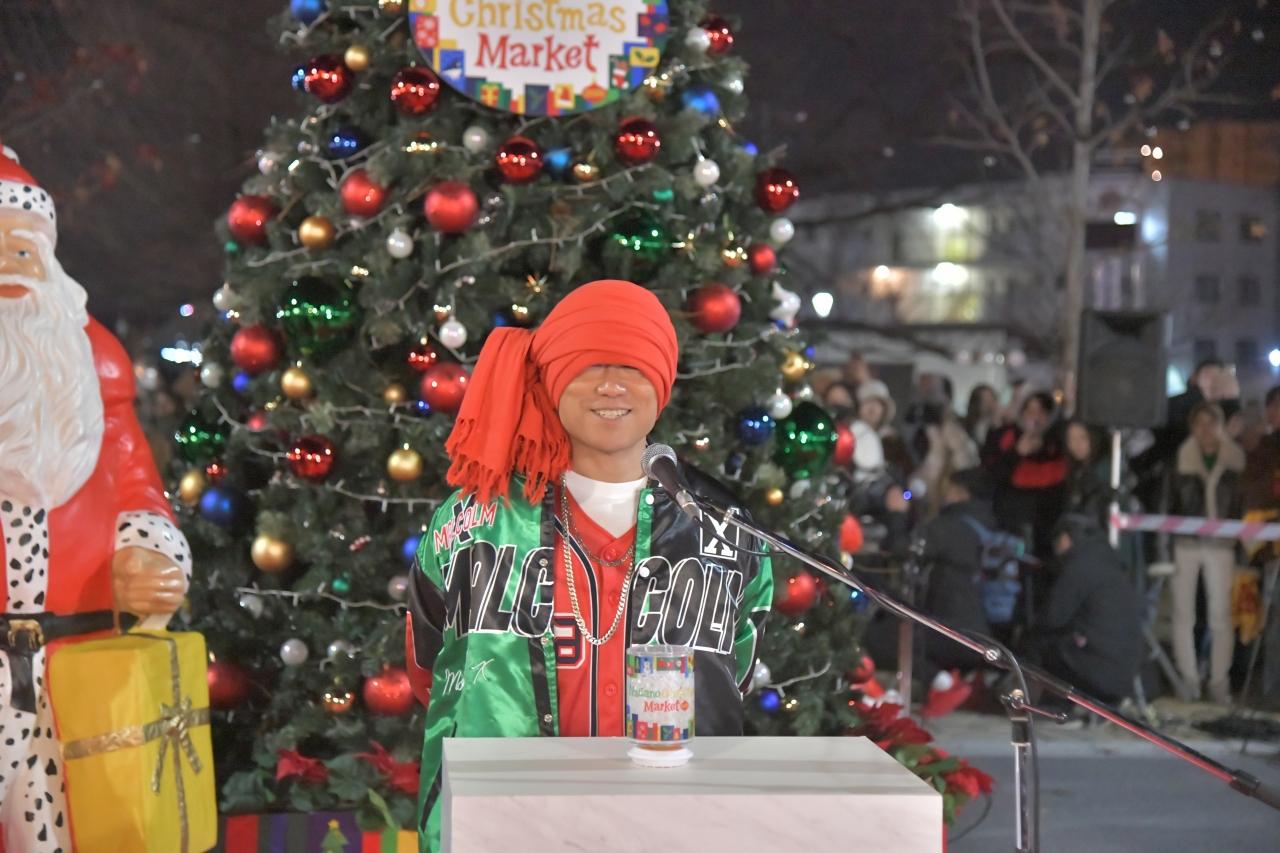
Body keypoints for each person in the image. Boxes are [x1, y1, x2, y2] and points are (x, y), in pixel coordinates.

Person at [407, 280, 774, 852]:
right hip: (505, 827)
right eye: (588, 366)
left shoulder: (722, 527)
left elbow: (736, 671)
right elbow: (429, 668)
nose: (610, 385)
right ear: (553, 378)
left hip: (673, 830)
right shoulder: (474, 520)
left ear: (662, 381)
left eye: (632, 366)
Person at [0, 146, 192, 849]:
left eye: (26, 243)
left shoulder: (89, 379)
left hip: (78, 671)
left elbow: (138, 491)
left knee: (71, 828)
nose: (13, 258)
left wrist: (148, 557)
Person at [1168, 402, 1245, 703]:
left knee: (1221, 616)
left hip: (1222, 546)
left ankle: (1218, 682)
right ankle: (1187, 680)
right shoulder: (1180, 459)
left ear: (1221, 425)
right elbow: (1167, 503)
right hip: (1185, 544)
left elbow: (1241, 506)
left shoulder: (1236, 460)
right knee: (1182, 614)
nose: (1206, 429)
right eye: (1199, 422)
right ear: (1192, 427)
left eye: (1211, 422)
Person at [1025, 515, 1143, 706]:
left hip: (1097, 671)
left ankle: (1042, 702)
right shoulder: (1110, 561)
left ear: (1066, 538)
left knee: (1039, 643)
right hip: (1125, 671)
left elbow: (1052, 617)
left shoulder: (1078, 567)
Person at [914, 467, 1000, 717]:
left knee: (886, 638)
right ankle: (958, 682)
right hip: (990, 631)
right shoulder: (990, 525)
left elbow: (908, 547)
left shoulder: (949, 527)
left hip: (954, 630)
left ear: (961, 492)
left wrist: (896, 515)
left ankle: (944, 684)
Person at [983, 392, 1068, 558]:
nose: (1035, 417)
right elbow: (991, 477)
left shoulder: (1058, 443)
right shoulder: (1004, 436)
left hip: (1047, 528)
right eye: (1029, 410)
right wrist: (1017, 452)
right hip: (1009, 523)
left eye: (1041, 412)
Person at [1064, 419, 1111, 527]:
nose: (1076, 444)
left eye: (1083, 437)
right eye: (1071, 439)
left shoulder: (1104, 469)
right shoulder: (1078, 471)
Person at [963, 383, 1000, 447]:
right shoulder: (966, 427)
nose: (990, 405)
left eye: (992, 400)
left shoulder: (1000, 424)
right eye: (985, 401)